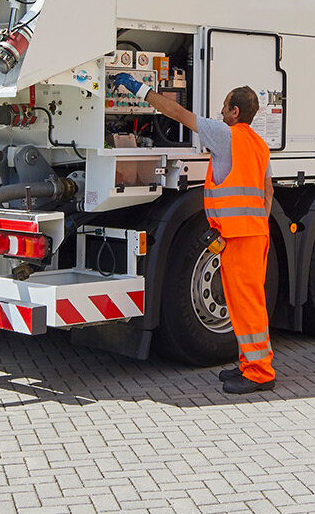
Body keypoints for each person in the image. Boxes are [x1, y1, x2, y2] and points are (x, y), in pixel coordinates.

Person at [111, 72, 275, 394]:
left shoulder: (226, 135)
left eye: (224, 107)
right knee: (244, 304)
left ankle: (260, 373)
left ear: (235, 112)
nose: (220, 113)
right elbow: (267, 192)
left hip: (240, 238)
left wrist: (138, 89)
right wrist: (251, 224)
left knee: (247, 305)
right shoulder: (259, 145)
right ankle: (248, 364)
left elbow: (177, 114)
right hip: (252, 235)